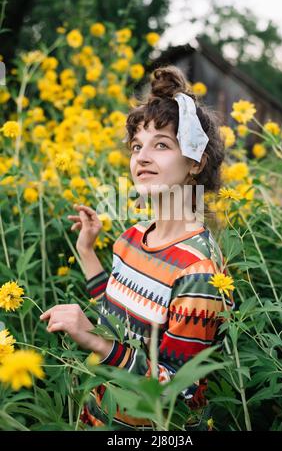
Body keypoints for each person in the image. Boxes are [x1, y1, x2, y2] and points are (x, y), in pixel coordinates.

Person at [40, 65, 235, 430]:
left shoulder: (198, 271)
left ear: (195, 162)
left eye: (161, 144)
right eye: (136, 146)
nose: (141, 157)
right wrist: (86, 252)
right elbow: (118, 320)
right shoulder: (132, 236)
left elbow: (180, 392)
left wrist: (95, 344)